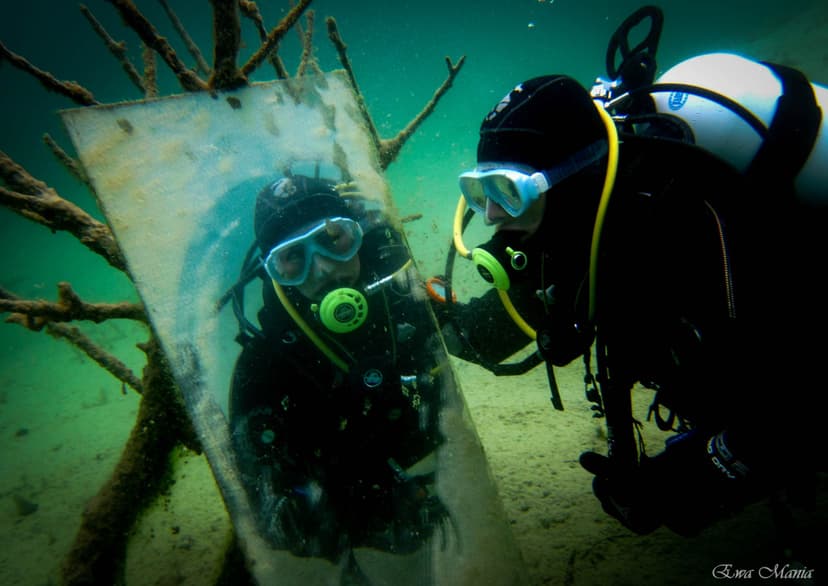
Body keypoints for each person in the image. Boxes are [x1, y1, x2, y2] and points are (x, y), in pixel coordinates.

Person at [434, 6, 826, 558]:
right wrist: (428, 315)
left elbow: (800, 409)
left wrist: (680, 485)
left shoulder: (690, 232)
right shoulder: (567, 230)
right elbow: (498, 330)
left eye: (507, 191)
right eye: (480, 193)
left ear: (568, 182)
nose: (492, 216)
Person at [227, 171, 450, 581]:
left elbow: (480, 339)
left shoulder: (403, 300)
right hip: (356, 529)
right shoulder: (264, 365)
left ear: (359, 234)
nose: (325, 269)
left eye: (333, 239)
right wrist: (373, 509)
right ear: (274, 271)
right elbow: (274, 515)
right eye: (294, 259)